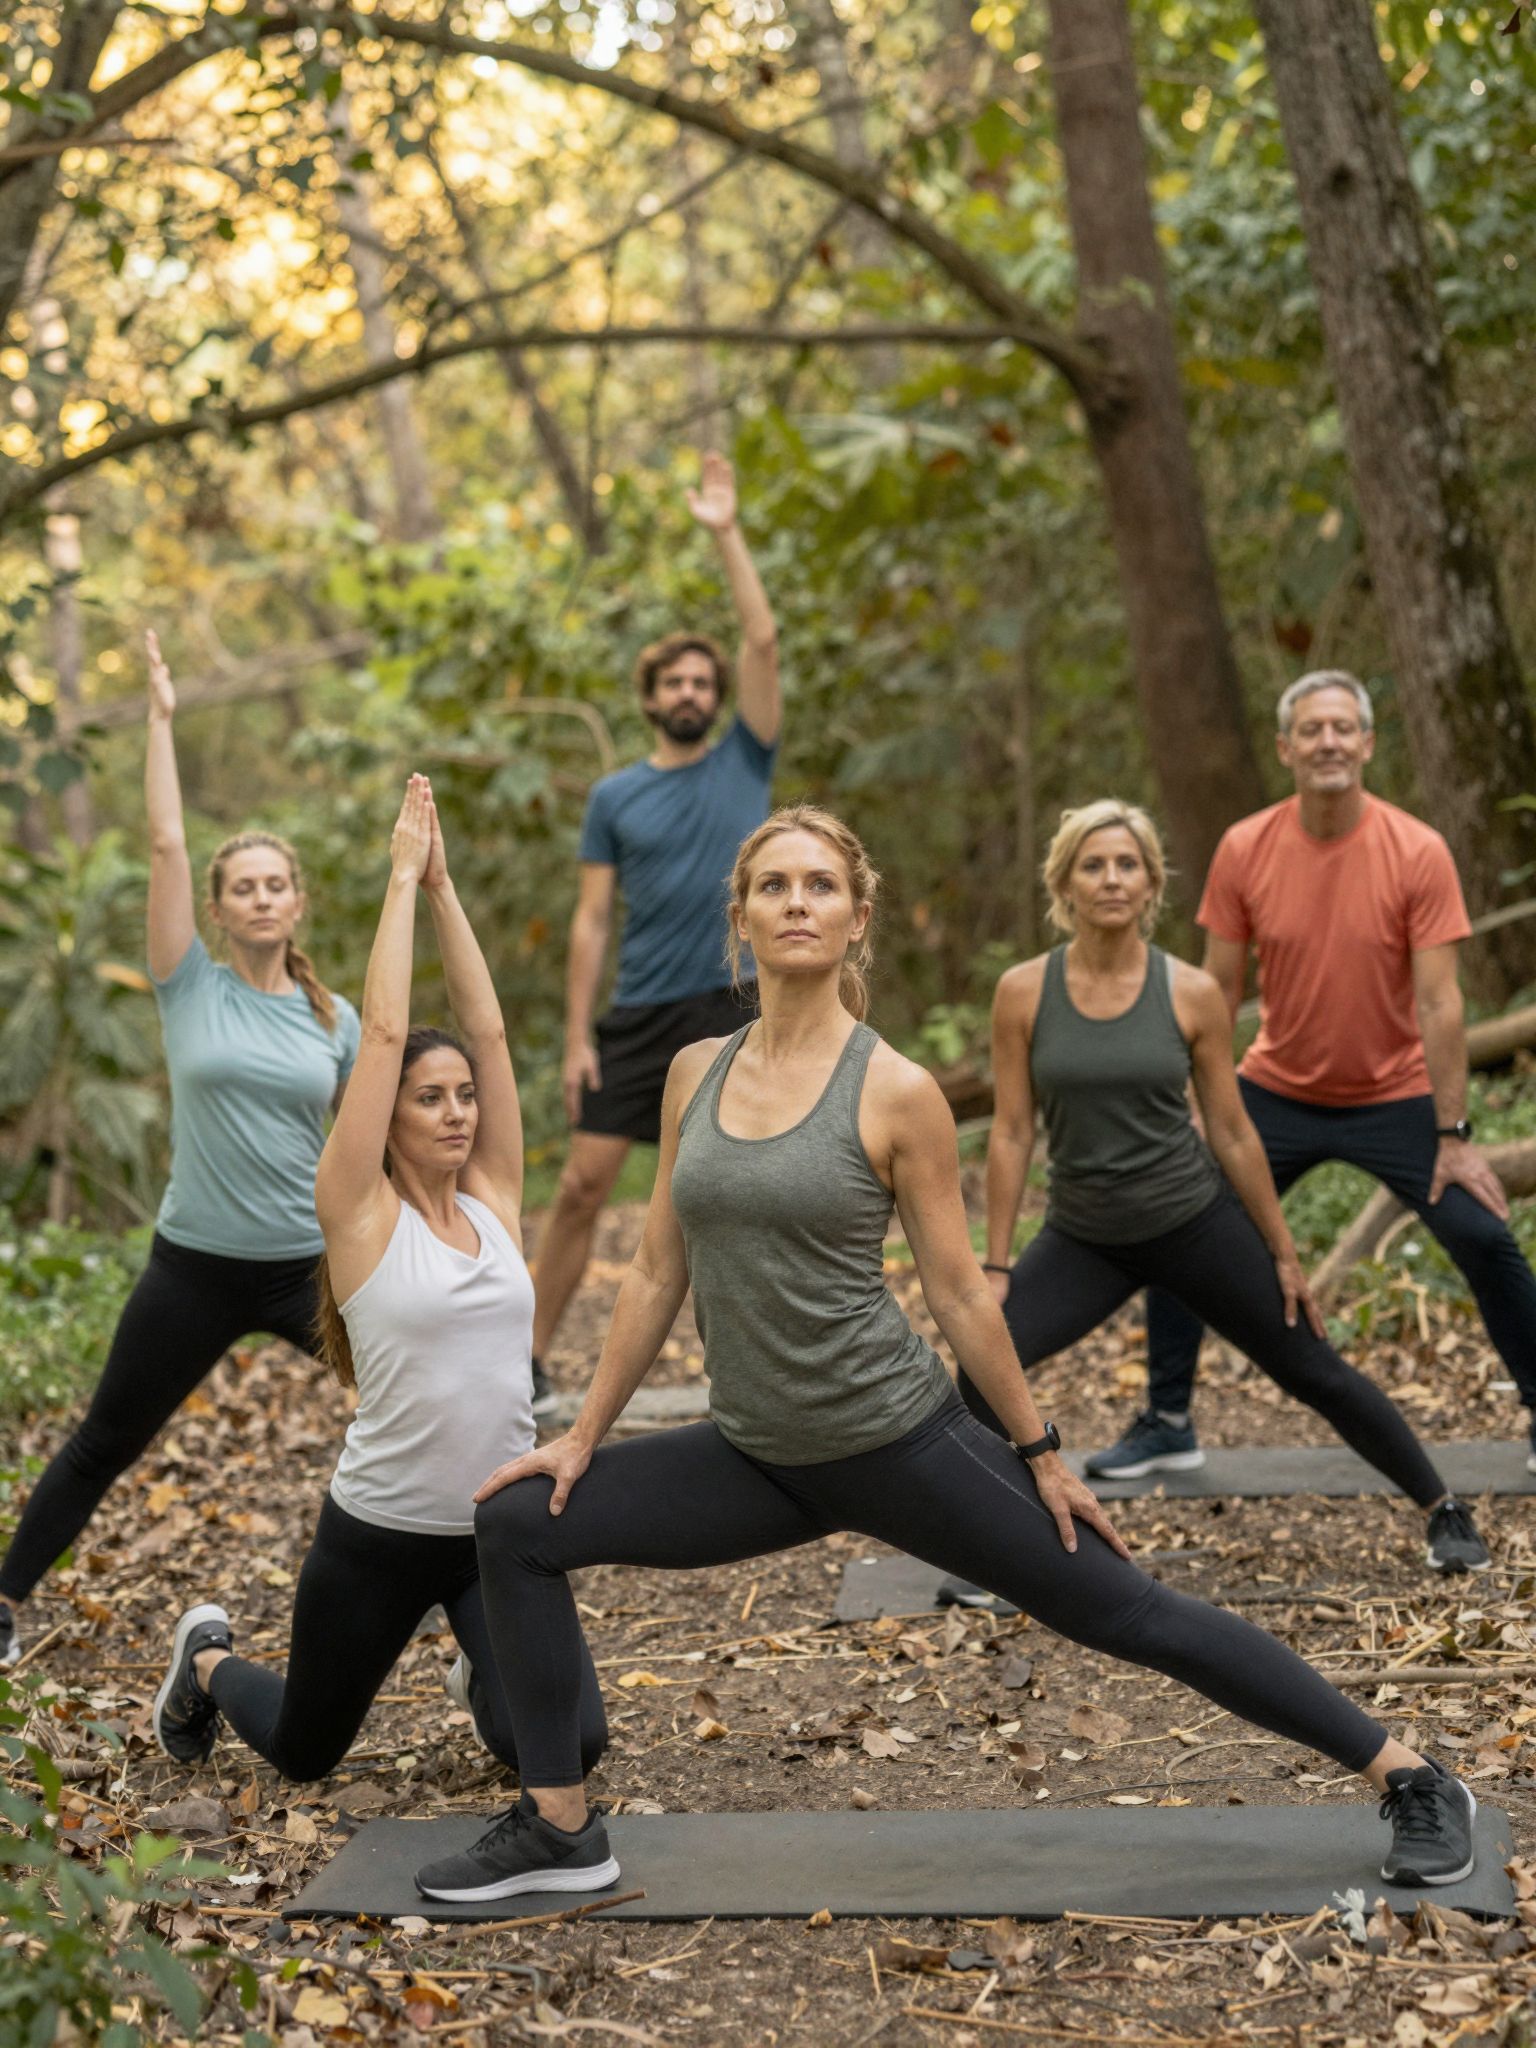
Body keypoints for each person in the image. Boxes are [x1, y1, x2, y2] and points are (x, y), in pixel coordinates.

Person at [411, 804, 1476, 1906]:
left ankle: (1408, 1772)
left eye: (821, 885)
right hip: (755, 1452)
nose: (797, 903)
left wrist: (1041, 1450)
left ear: (856, 917)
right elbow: (652, 1272)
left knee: (1129, 1611)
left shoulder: (895, 1089)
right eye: (774, 885)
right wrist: (581, 1436)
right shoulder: (694, 1073)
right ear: (741, 918)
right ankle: (560, 1825)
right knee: (516, 1525)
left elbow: (961, 1291)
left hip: (898, 1441)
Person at [152, 778, 606, 1781]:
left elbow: (488, 1037)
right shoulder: (357, 1213)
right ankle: (210, 1657)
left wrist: (447, 889)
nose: (456, 1113)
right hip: (380, 1534)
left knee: (570, 1746)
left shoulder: (493, 1196)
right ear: (384, 1114)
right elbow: (389, 1035)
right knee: (308, 1749)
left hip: (498, 1532)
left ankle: (483, 1669)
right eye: (428, 1100)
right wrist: (400, 880)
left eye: (464, 1100)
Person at [950, 799, 1486, 1586]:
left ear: (1151, 883)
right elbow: (1012, 1132)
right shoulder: (1023, 993)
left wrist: (1282, 1250)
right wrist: (995, 1264)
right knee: (981, 1366)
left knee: (1311, 1367)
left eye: (1126, 864)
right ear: (1064, 881)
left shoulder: (1192, 992)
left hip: (1192, 1221)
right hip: (1085, 1234)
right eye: (1092, 865)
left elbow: (1232, 1131)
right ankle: (1007, 1549)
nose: (1110, 879)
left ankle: (1443, 1507)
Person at [0, 633, 360, 1670]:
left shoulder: (331, 1021)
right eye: (240, 884)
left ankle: (467, 1588)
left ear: (296, 901)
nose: (258, 896)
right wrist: (159, 713)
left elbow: (358, 1148)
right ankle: (3, 1598)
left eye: (274, 882)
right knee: (106, 1439)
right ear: (216, 906)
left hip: (307, 1269)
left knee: (415, 1405)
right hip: (193, 1264)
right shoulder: (186, 982)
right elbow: (163, 839)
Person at [1089, 672, 1536, 1483]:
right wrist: (1197, 1098)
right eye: (1312, 729)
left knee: (1484, 1237)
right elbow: (1214, 990)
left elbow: (1440, 1002)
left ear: (1367, 744)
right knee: (1179, 1213)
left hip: (1396, 1095)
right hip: (1276, 1091)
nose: (1329, 741)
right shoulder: (1246, 847)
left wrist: (1454, 1134)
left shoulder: (1418, 850)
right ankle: (1167, 1419)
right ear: (1286, 748)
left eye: (1344, 728)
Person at [529, 452, 781, 1408]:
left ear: (715, 696)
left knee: (739, 1196)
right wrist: (575, 1035)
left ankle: (759, 1375)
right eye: (671, 680)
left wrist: (724, 529)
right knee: (582, 1188)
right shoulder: (614, 796)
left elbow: (759, 638)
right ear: (650, 697)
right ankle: (527, 1364)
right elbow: (592, 919)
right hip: (637, 1012)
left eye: (699, 679)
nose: (688, 690)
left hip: (737, 1004)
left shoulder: (744, 764)